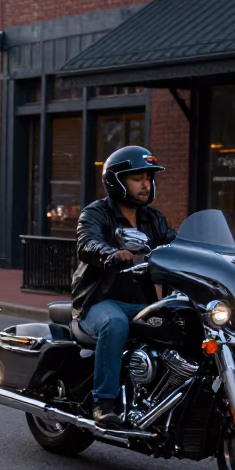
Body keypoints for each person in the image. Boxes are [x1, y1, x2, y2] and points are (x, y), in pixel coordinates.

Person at [72, 146, 177, 428]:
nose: (146, 184)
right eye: (137, 178)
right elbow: (87, 243)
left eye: (149, 178)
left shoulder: (154, 219)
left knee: (182, 321)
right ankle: (104, 402)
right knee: (115, 323)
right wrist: (109, 253)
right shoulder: (95, 214)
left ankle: (164, 396)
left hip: (141, 303)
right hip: (99, 302)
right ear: (116, 181)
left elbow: (176, 245)